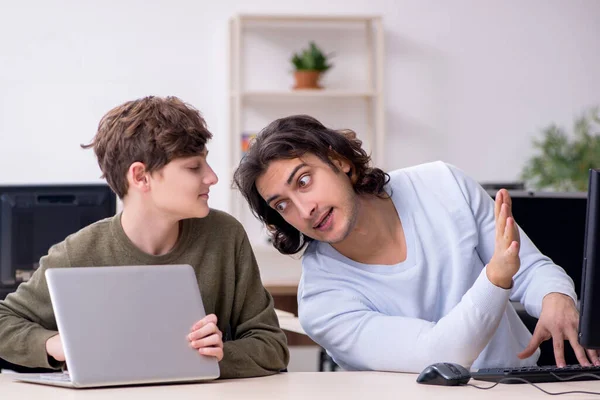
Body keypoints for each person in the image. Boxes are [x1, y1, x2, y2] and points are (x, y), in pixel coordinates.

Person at [233, 114, 598, 373]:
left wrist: (556, 298)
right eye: (282, 205)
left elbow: (531, 269)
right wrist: (496, 278)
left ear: (338, 160)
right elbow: (440, 355)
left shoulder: (442, 185)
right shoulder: (321, 302)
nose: (304, 209)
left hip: (519, 385)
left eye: (304, 181)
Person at [0, 96, 289, 378]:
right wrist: (57, 345)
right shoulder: (80, 252)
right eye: (193, 167)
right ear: (140, 177)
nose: (212, 177)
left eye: (206, 163)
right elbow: (4, 322)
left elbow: (272, 346)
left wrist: (220, 354)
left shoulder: (225, 236)